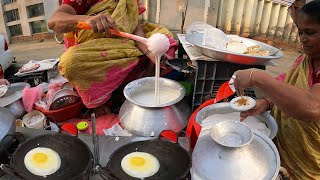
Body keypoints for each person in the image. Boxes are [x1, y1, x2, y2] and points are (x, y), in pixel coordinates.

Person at [233, 1, 320, 179]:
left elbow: (312, 107)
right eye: (301, 32)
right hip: (285, 151)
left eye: (310, 33)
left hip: (310, 166)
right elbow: (291, 86)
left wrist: (257, 77)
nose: (302, 38)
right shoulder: (307, 59)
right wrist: (266, 102)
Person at [48, 0, 177, 116]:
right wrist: (86, 19)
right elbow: (54, 21)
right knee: (70, 63)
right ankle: (98, 101)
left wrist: (148, 50)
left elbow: (135, 26)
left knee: (164, 40)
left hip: (128, 42)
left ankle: (146, 85)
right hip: (98, 48)